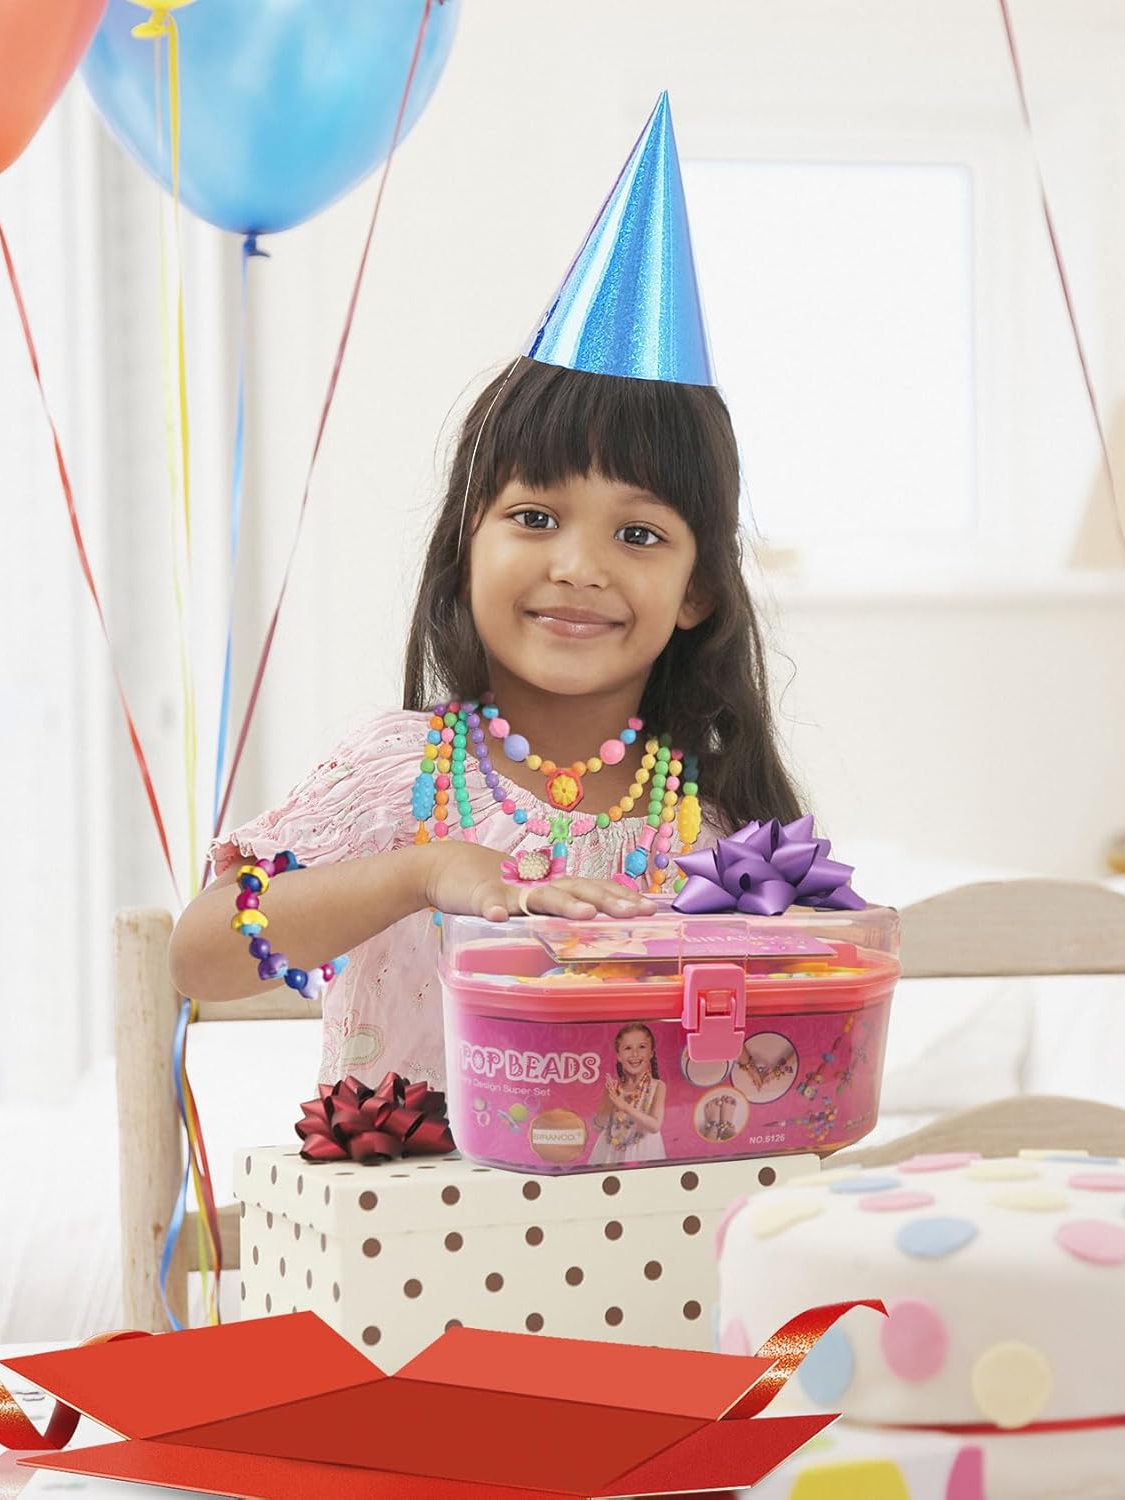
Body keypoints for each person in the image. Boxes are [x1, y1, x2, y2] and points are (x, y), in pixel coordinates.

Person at [167, 96, 802, 1090]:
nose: (578, 566)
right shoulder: (400, 777)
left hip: (639, 1190)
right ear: (467, 543)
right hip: (416, 1188)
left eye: (638, 534)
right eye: (535, 517)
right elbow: (201, 954)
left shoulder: (706, 826)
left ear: (699, 593)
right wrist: (420, 871)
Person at [590, 1023, 667, 1164]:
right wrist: (610, 1102)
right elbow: (598, 1125)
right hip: (611, 1150)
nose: (635, 1054)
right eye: (628, 1048)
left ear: (651, 1053)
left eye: (642, 1047)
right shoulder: (613, 1088)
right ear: (619, 1056)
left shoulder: (657, 1086)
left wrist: (625, 1107)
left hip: (644, 1150)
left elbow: (655, 1126)